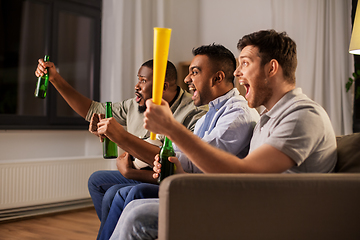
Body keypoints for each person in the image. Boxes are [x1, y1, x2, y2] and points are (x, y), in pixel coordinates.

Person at [109, 29, 338, 240]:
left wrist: (172, 128)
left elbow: (245, 177)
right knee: (133, 207)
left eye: (245, 63)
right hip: (249, 205)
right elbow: (239, 179)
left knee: (138, 216)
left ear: (271, 68)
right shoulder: (268, 119)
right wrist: (182, 175)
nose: (237, 72)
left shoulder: (301, 115)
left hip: (271, 218)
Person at [95, 44, 260, 240]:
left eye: (195, 72)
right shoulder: (211, 113)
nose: (186, 79)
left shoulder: (237, 116)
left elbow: (195, 164)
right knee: (106, 186)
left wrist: (124, 140)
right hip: (190, 184)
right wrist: (161, 158)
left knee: (129, 193)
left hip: (208, 194)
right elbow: (179, 153)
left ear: (217, 78)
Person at [34, 59, 206, 222]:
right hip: (138, 172)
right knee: (96, 180)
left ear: (163, 87)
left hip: (163, 177)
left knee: (113, 193)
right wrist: (55, 79)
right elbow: (93, 109)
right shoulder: (135, 105)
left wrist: (122, 148)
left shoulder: (193, 113)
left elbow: (180, 168)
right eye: (138, 79)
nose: (136, 86)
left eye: (143, 81)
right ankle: (114, 232)